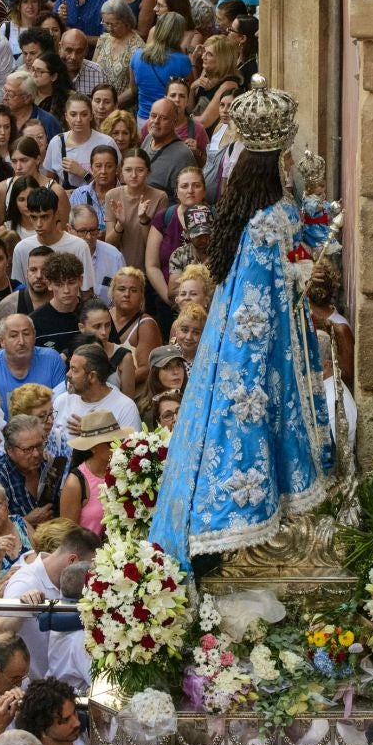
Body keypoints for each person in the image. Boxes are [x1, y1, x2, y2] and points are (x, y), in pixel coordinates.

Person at [148, 77, 337, 565]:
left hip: (275, 336)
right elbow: (267, 291)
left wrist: (312, 213)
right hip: (260, 345)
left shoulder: (265, 211)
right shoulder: (264, 221)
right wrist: (302, 274)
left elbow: (297, 257)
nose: (291, 163)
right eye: (287, 157)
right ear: (272, 163)